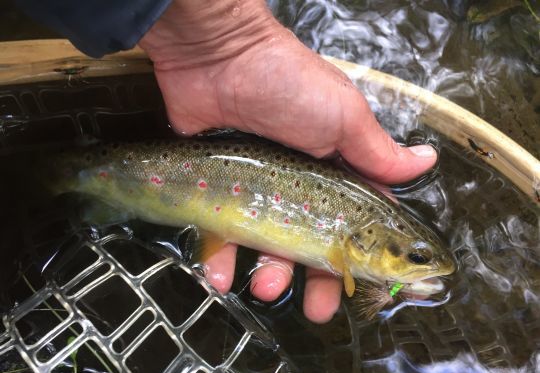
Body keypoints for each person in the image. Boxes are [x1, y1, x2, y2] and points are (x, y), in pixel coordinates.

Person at [14, 0, 437, 323]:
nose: (419, 268)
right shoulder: (354, 240)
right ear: (365, 242)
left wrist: (221, 37)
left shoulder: (360, 228)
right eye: (415, 258)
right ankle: (47, 175)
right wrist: (222, 40)